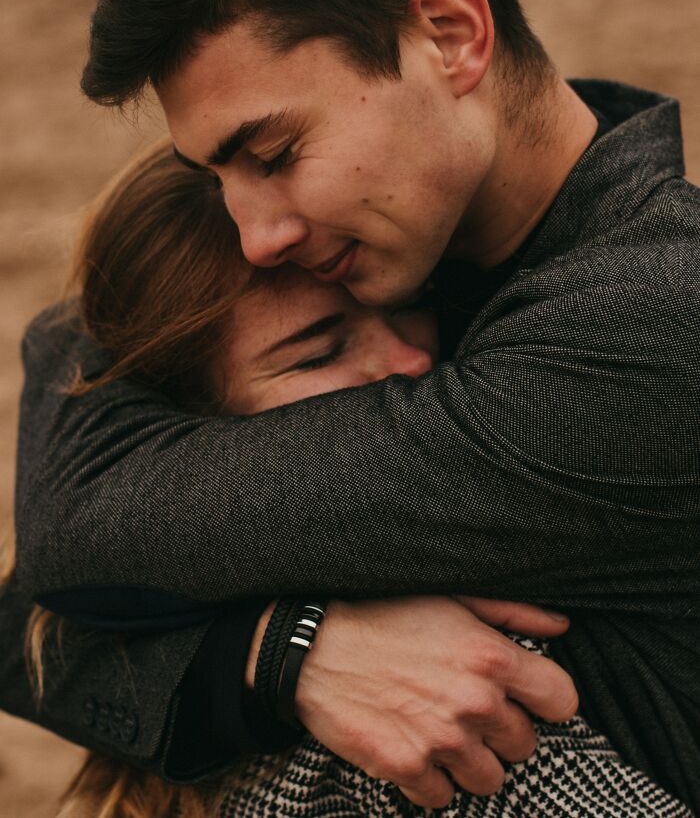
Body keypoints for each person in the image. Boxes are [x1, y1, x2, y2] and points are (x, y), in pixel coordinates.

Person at [6, 0, 700, 814]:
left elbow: (83, 535)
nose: (256, 235)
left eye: (275, 152)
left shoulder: (650, 329)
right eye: (213, 177)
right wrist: (287, 651)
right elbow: (68, 362)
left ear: (451, 32)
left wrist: (269, 639)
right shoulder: (409, 239)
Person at [5, 140, 688, 818]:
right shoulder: (445, 714)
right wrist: (287, 646)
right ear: (184, 426)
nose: (408, 362)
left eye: (408, 303)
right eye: (319, 353)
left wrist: (275, 646)